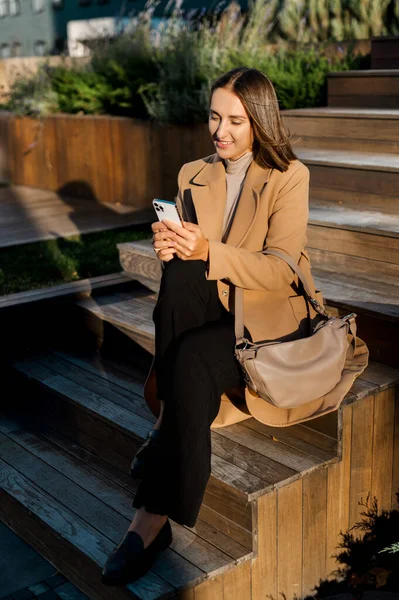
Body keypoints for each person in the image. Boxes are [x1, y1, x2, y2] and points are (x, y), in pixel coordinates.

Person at [101, 65, 315, 586]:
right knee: (177, 274)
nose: (221, 131)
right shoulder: (193, 173)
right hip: (215, 303)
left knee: (195, 358)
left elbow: (281, 268)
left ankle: (150, 520)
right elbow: (193, 260)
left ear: (260, 121)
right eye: (215, 117)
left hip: (269, 316)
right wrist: (172, 246)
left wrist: (205, 251)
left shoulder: (290, 176)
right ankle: (167, 422)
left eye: (236, 121)